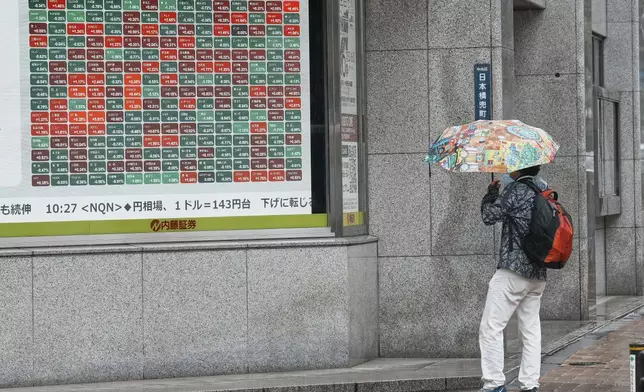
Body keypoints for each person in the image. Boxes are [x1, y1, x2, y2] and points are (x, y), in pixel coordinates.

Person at [478, 165, 548, 392]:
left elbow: (489, 216)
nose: (508, 169)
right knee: (530, 331)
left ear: (519, 169)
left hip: (513, 271)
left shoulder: (516, 190)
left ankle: (494, 385)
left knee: (491, 327)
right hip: (537, 273)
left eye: (511, 166)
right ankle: (529, 385)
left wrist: (491, 194)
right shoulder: (543, 189)